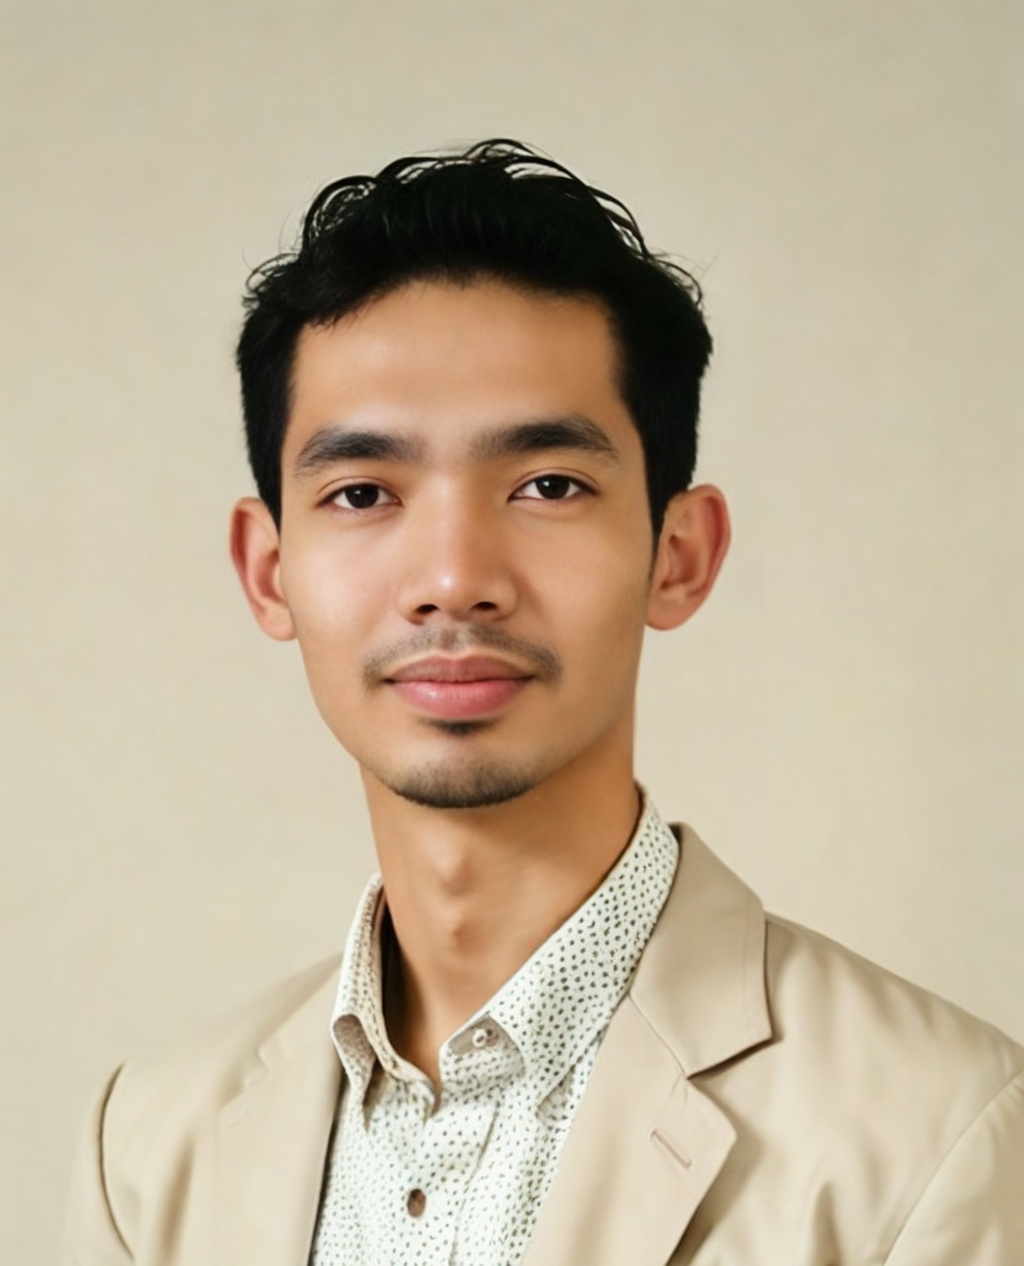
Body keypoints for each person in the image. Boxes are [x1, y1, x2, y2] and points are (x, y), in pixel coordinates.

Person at [64, 140, 1024, 1265]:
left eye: (547, 485)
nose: (452, 578)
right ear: (269, 570)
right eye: (363, 492)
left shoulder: (936, 1135)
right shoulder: (146, 1152)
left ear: (679, 554)